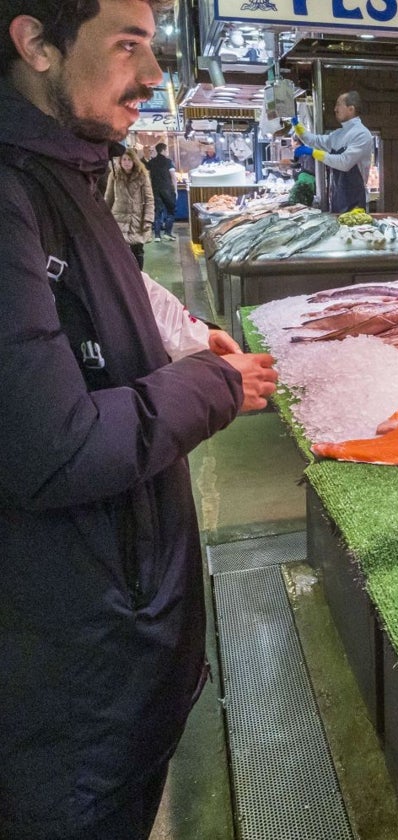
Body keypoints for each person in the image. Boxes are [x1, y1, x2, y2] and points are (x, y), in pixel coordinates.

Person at [0, 2, 279, 839]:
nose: (153, 76)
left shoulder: (61, 168)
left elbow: (89, 282)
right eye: (127, 46)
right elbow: (53, 447)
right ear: (37, 43)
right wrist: (216, 386)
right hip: (67, 693)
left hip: (120, 649)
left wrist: (176, 329)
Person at [291, 90, 373, 214]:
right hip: (337, 198)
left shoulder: (362, 134)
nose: (335, 109)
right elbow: (314, 140)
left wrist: (313, 153)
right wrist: (296, 125)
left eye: (339, 104)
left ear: (351, 109)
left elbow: (344, 163)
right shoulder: (338, 134)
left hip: (355, 203)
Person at [105, 146, 154, 268]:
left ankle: (139, 277)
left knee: (137, 250)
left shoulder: (142, 175)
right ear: (120, 161)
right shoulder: (114, 175)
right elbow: (108, 197)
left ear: (134, 161)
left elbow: (149, 199)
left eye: (129, 160)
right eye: (124, 160)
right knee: (119, 251)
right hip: (118, 219)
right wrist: (104, 217)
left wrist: (148, 219)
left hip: (136, 219)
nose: (126, 162)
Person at [145, 140, 176, 241]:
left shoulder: (150, 162)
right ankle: (167, 233)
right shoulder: (168, 161)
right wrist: (175, 190)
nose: (167, 151)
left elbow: (147, 177)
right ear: (163, 150)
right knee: (170, 211)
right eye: (166, 150)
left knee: (157, 212)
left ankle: (157, 236)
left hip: (155, 190)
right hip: (167, 190)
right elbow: (173, 177)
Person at [288, 136, 316, 207]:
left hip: (307, 185)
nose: (290, 143)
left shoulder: (305, 152)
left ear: (296, 142)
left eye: (291, 141)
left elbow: (308, 169)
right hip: (305, 184)